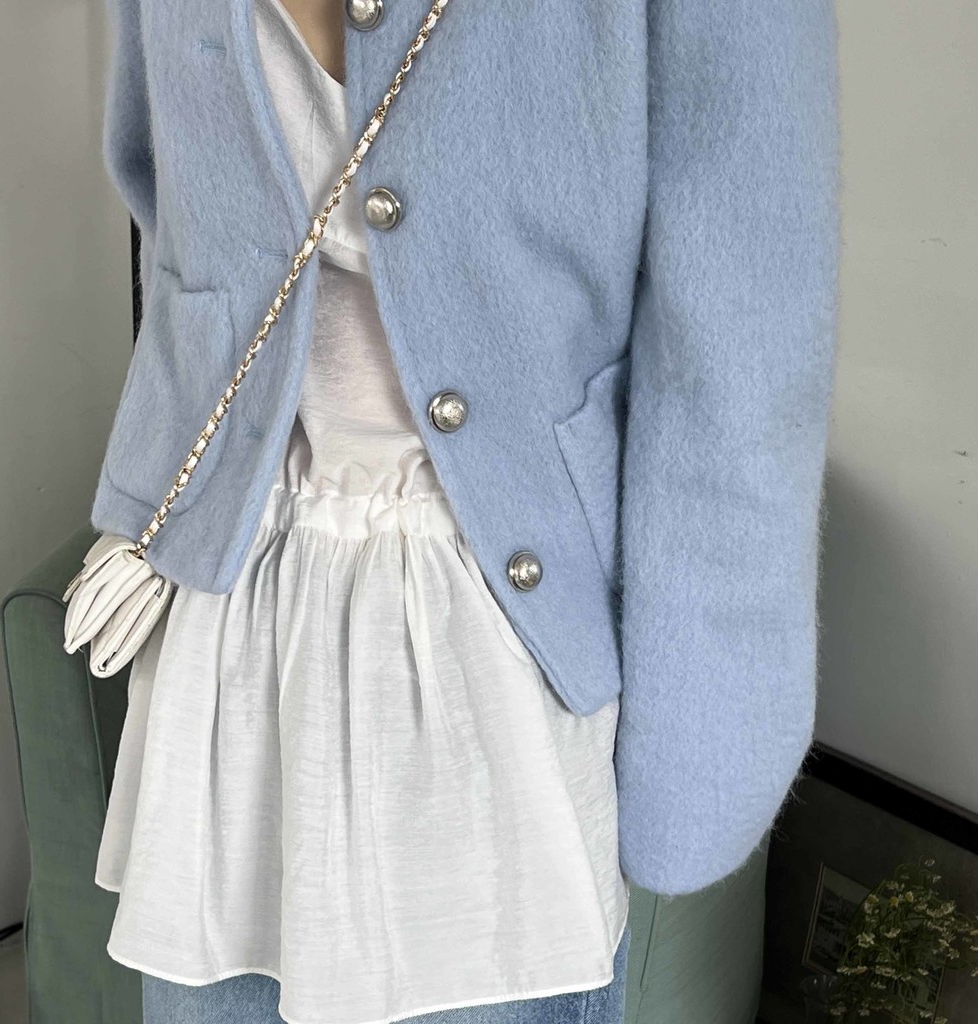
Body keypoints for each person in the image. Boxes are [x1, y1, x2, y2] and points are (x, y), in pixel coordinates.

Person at [86, 0, 842, 1021]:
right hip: (228, 639)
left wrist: (704, 725)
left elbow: (740, 334)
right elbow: (162, 187)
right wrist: (166, 493)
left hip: (502, 657)